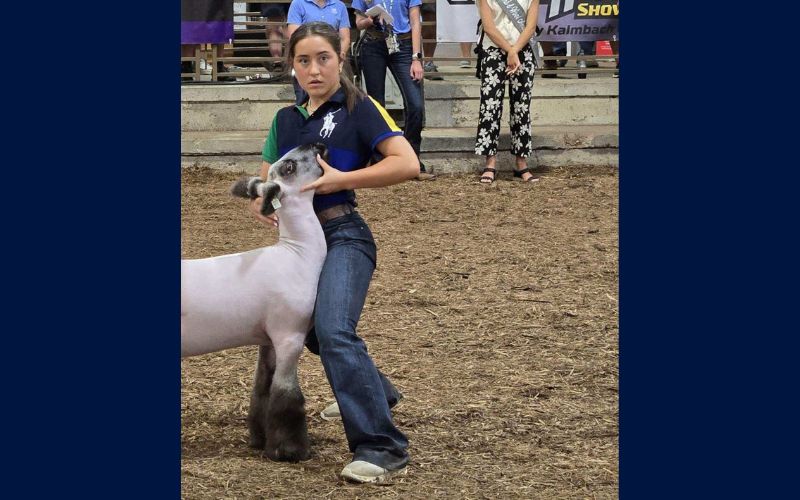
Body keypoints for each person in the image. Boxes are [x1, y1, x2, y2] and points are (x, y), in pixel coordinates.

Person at [248, 21, 417, 483]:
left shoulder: (360, 108)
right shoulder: (285, 118)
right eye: (303, 60)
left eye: (323, 58)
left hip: (344, 233)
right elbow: (268, 178)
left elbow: (407, 164)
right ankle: (376, 391)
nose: (314, 69)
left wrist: (338, 180)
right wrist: (264, 201)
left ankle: (382, 446)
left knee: (332, 329)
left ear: (339, 57)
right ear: (293, 66)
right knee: (307, 329)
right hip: (295, 245)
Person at [351, 0, 436, 180]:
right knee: (376, 106)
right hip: (374, 43)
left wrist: (416, 58)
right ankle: (380, 160)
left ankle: (412, 159)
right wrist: (370, 20)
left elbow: (415, 21)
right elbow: (358, 23)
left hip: (403, 45)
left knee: (416, 105)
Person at [475, 0, 539, 184]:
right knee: (490, 107)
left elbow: (531, 26)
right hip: (493, 50)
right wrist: (510, 50)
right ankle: (490, 163)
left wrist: (515, 50)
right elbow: (489, 27)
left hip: (523, 51)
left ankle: (522, 163)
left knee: (521, 108)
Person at [286, 0, 351, 102]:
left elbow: (345, 38)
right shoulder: (298, 3)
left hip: (332, 61)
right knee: (303, 102)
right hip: (306, 60)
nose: (314, 71)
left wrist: (338, 59)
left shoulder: (339, 5)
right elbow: (294, 37)